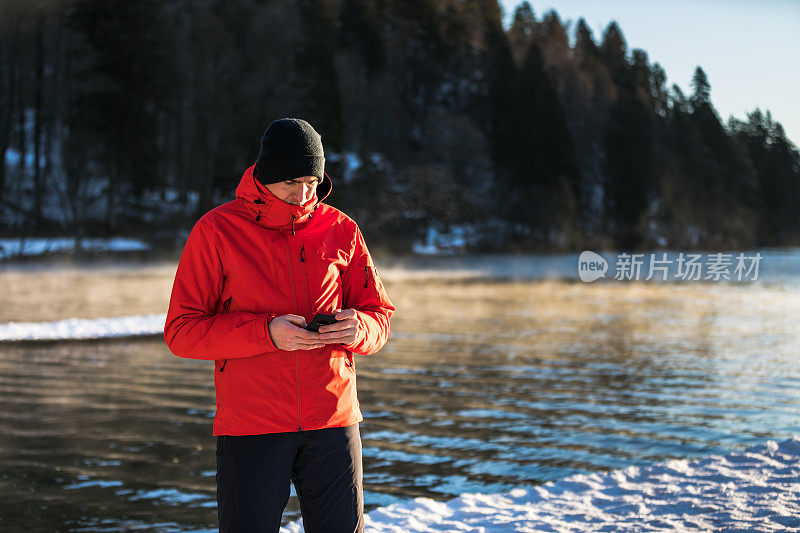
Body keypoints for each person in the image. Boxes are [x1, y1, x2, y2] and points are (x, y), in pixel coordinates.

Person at [164, 118, 395, 532]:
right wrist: (266, 333)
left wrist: (358, 328)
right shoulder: (217, 231)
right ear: (265, 175)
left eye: (312, 181)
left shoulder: (342, 229)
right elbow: (181, 332)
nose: (304, 194)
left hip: (333, 420)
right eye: (292, 181)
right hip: (253, 424)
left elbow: (379, 317)